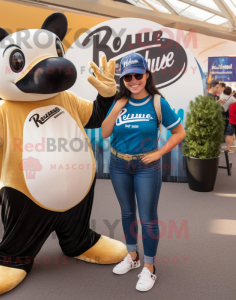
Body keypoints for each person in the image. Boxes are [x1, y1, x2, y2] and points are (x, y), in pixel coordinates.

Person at [101, 53, 186, 292]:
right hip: (118, 165)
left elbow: (180, 133)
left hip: (146, 167)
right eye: (128, 76)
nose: (133, 80)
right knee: (127, 213)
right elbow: (106, 132)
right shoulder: (119, 102)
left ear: (146, 75)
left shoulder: (158, 102)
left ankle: (149, 268)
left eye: (138, 74)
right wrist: (117, 106)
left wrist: (160, 153)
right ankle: (132, 256)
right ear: (123, 79)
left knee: (148, 218)